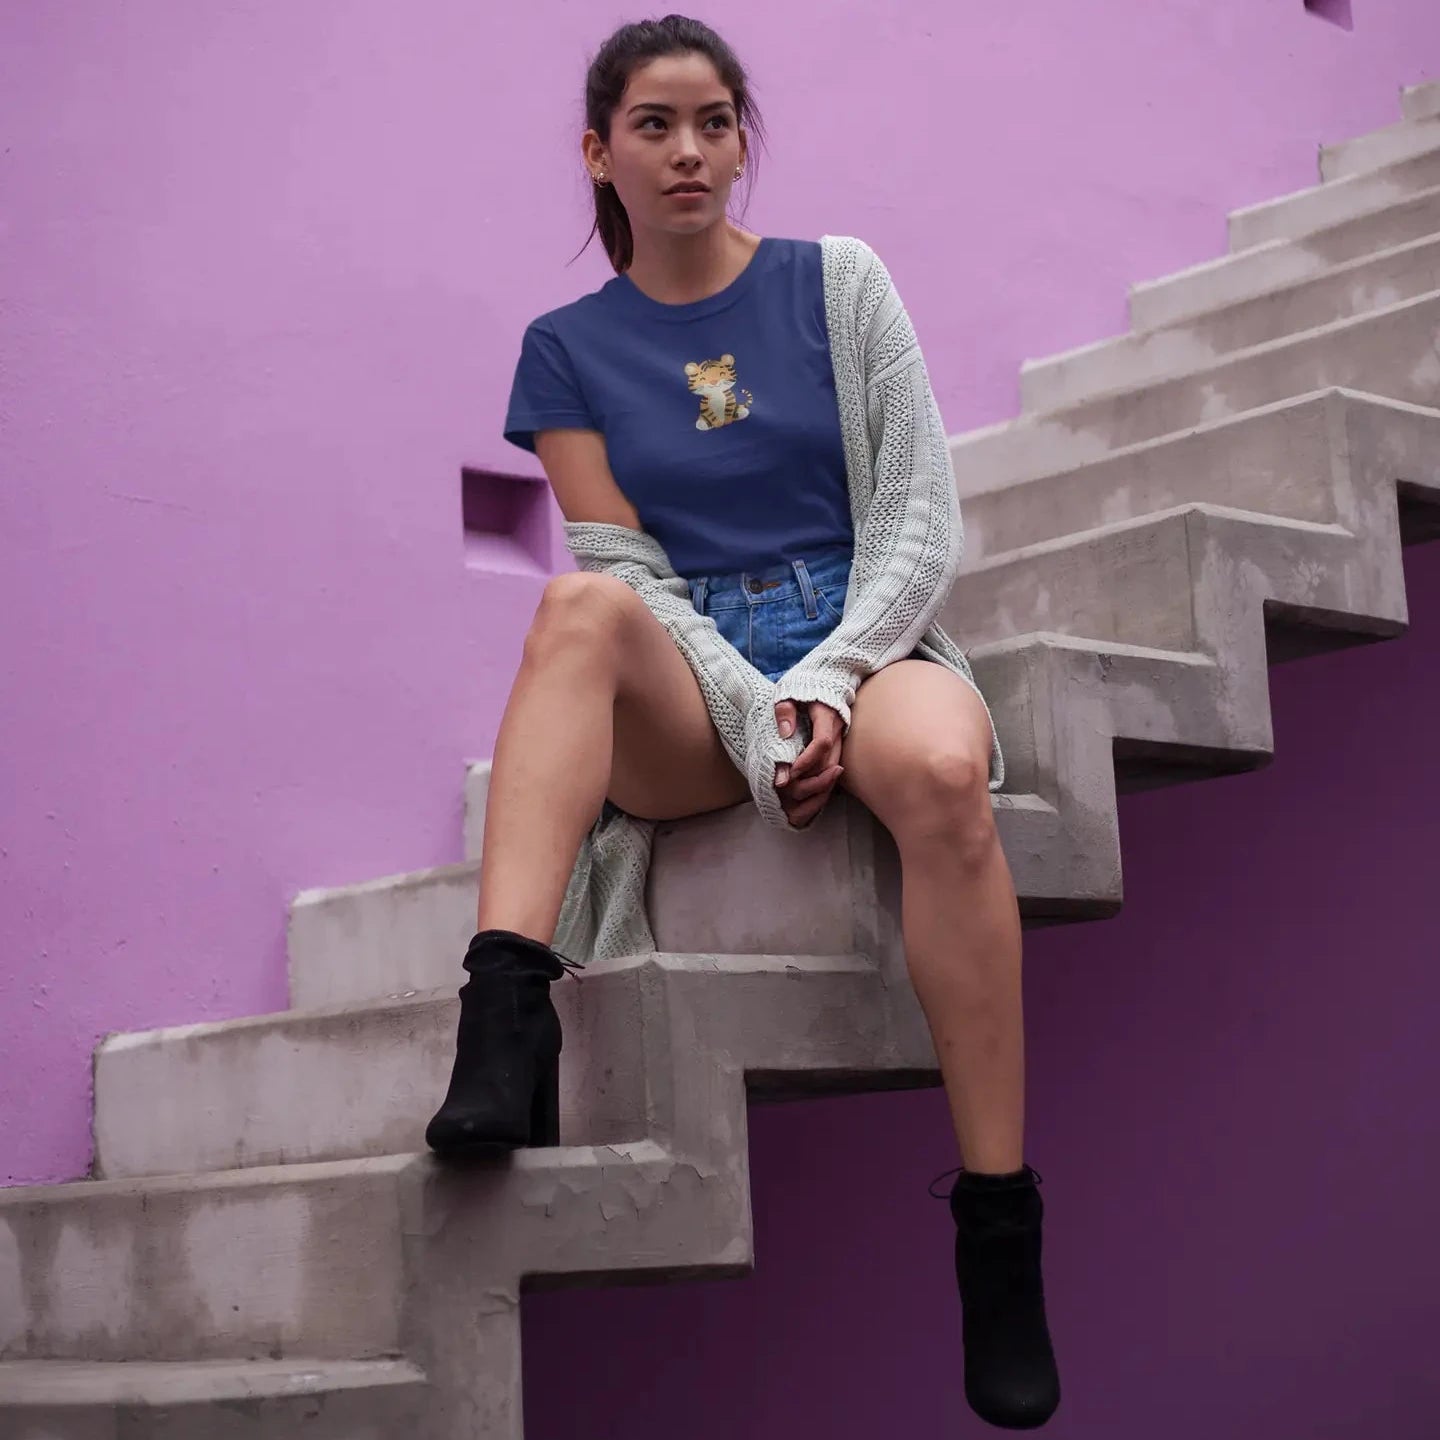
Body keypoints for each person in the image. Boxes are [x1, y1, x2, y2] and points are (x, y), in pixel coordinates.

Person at [426, 14, 1059, 1429]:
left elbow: (915, 514)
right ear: (600, 153)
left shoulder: (838, 284)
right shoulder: (567, 349)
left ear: (742, 137)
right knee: (579, 617)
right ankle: (504, 1017)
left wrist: (828, 678)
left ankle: (1000, 1227)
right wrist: (750, 701)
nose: (690, 150)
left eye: (714, 120)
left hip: (860, 623)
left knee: (946, 772)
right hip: (688, 668)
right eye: (654, 124)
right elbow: (627, 568)